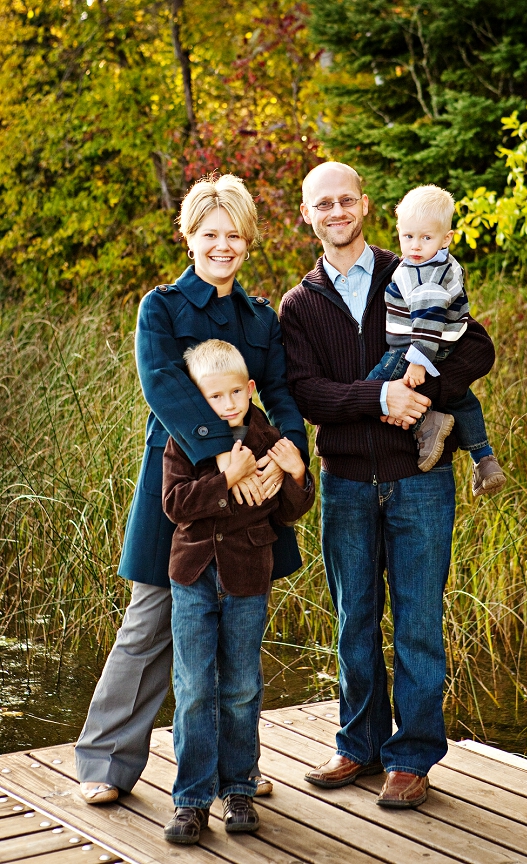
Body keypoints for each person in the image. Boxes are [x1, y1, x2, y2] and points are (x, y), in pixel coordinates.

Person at [75, 174, 309, 805]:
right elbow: (163, 386)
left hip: (253, 494)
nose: (223, 246)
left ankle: (237, 771)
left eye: (234, 234)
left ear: (249, 241)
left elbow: (280, 395)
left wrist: (284, 461)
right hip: (179, 484)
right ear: (189, 237)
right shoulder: (162, 308)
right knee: (150, 620)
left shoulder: (262, 318)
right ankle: (104, 763)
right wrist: (224, 460)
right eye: (211, 234)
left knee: (236, 641)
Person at [278, 161, 496, 808]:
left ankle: (412, 757)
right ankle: (358, 746)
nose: (336, 211)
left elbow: (476, 347)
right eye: (323, 204)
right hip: (344, 481)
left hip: (419, 482)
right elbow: (307, 393)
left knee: (418, 625)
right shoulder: (299, 304)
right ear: (306, 215)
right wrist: (380, 398)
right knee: (353, 622)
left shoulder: (414, 267)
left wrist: (421, 392)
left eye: (346, 200)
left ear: (365, 206)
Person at [161, 340, 314, 844]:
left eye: (235, 393)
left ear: (250, 390)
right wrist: (225, 478)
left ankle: (239, 788)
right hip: (194, 575)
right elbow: (175, 504)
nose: (228, 404)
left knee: (242, 686)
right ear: (196, 400)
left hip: (248, 574)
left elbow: (288, 511)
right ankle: (191, 800)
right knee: (195, 687)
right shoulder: (184, 439)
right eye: (215, 397)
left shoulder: (268, 436)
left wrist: (296, 475)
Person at [365, 183, 505, 494]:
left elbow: (427, 319)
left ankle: (425, 423)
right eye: (408, 236)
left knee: (375, 389)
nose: (415, 246)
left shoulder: (422, 272)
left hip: (411, 349)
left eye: (426, 238)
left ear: (446, 238)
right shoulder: (443, 263)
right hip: (449, 345)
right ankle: (483, 457)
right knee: (462, 400)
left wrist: (417, 361)